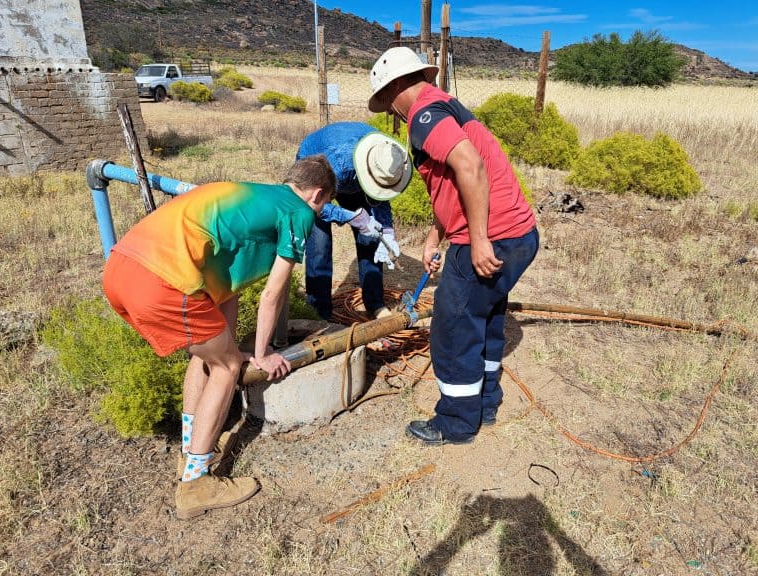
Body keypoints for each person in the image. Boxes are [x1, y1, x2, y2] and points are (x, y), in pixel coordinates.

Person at [102, 156, 337, 518]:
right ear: (317, 194)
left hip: (121, 267)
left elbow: (227, 290)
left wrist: (230, 342)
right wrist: (261, 354)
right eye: (323, 205)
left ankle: (189, 455)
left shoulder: (254, 199)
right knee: (227, 367)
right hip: (160, 279)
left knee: (207, 355)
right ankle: (196, 486)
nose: (320, 213)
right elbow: (274, 293)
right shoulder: (299, 212)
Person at [368, 47, 539, 445]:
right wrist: (434, 238)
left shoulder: (424, 115)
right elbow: (453, 186)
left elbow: (471, 167)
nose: (390, 110)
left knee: (454, 326)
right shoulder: (444, 105)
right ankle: (486, 403)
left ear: (395, 88)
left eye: (386, 102)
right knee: (486, 315)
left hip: (492, 236)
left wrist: (477, 241)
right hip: (519, 234)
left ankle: (456, 423)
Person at [296, 121, 412, 320]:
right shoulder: (337, 162)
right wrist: (350, 216)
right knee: (320, 242)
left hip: (355, 172)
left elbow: (380, 196)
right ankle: (318, 311)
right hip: (317, 172)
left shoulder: (387, 156)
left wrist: (387, 229)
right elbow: (313, 203)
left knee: (370, 237)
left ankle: (375, 303)